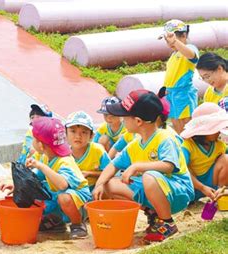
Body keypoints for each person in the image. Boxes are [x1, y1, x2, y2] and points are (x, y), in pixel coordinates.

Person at [93, 90, 194, 243]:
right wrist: (99, 185)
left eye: (124, 117)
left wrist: (137, 166)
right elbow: (113, 166)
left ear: (138, 121)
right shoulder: (134, 145)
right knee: (110, 184)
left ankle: (167, 223)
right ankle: (153, 212)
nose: (122, 120)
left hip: (177, 191)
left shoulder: (165, 138)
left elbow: (169, 166)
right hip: (155, 190)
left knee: (149, 176)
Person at [3, 117, 92, 238]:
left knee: (64, 198)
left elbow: (62, 185)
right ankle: (56, 222)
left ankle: (78, 224)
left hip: (79, 201)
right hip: (58, 194)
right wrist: (18, 186)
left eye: (34, 138)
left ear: (40, 145)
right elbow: (34, 178)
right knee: (34, 193)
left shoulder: (64, 161)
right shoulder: (47, 156)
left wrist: (41, 166)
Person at [180, 102, 228, 201]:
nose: (219, 131)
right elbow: (182, 169)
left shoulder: (219, 145)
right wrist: (201, 187)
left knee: (226, 159)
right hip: (193, 185)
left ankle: (220, 192)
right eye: (216, 128)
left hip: (212, 184)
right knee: (182, 167)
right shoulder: (188, 146)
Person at [159, 19, 199, 134]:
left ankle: (190, 150)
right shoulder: (174, 55)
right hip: (171, 95)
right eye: (167, 40)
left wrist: (176, 42)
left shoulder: (190, 48)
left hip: (183, 95)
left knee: (187, 130)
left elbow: (192, 56)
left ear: (184, 35)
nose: (169, 43)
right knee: (177, 127)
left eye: (172, 38)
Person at [65, 111, 110, 191]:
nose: (78, 136)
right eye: (73, 131)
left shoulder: (97, 150)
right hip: (72, 191)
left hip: (96, 189)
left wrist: (89, 173)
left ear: (91, 136)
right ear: (66, 133)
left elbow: (111, 172)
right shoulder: (62, 154)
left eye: (84, 132)